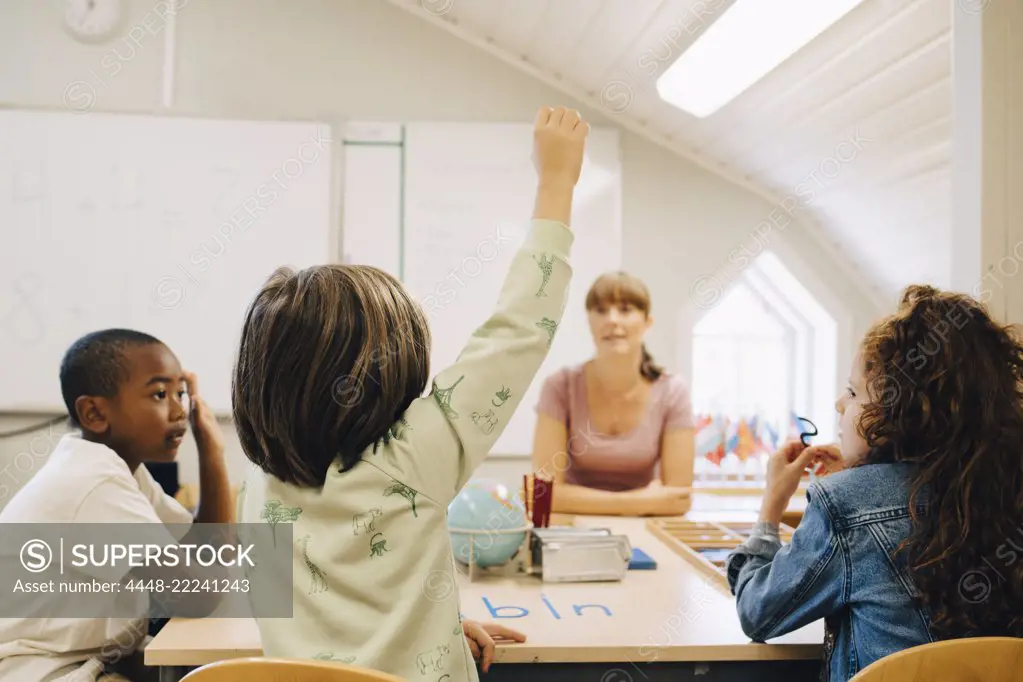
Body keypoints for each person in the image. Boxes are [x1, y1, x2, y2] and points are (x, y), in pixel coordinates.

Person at [232, 105, 587, 682]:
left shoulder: (255, 487)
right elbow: (521, 327)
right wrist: (558, 179)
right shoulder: (416, 456)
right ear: (388, 372)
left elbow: (315, 630)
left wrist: (436, 626)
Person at [726, 285, 1023, 682]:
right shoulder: (1006, 486)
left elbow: (758, 613)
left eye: (853, 392)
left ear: (905, 411)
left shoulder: (846, 507)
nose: (838, 404)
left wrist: (770, 510)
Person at [0, 329, 233, 682]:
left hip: (83, 664)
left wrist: (209, 447)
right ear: (94, 413)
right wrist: (214, 455)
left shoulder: (120, 470)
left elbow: (202, 552)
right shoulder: (95, 481)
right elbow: (198, 596)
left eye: (181, 393)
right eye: (159, 394)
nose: (178, 411)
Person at [530, 271, 694, 516]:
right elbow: (542, 494)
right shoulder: (559, 386)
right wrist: (641, 502)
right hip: (573, 530)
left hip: (646, 531)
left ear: (648, 322)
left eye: (626, 310)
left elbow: (680, 499)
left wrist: (571, 499)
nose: (612, 320)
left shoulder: (673, 392)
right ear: (589, 321)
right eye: (601, 310)